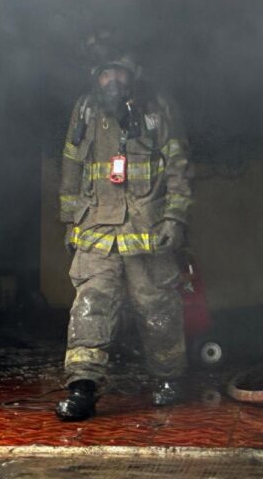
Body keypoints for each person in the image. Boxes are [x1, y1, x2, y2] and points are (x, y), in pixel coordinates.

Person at [55, 46, 193, 422]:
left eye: (119, 73)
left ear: (133, 75)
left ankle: (169, 378)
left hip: (148, 230)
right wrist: (69, 221)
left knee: (157, 307)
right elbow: (71, 163)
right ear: (95, 78)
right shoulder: (86, 110)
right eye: (105, 74)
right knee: (90, 305)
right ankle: (82, 387)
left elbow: (178, 166)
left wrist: (174, 220)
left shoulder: (157, 109)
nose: (111, 80)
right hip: (95, 227)